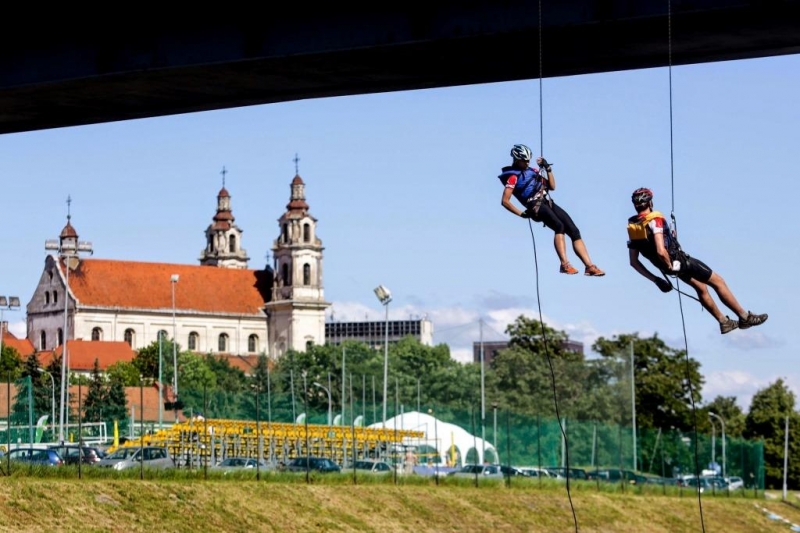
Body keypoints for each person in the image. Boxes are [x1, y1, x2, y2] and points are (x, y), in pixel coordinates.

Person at [626, 187, 767, 334]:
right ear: (651, 203)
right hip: (678, 262)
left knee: (701, 287)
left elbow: (634, 262)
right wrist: (670, 264)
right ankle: (744, 317)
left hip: (667, 267)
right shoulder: (655, 220)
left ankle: (724, 322)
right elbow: (661, 251)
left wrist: (657, 279)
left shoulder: (633, 226)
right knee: (718, 281)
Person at [499, 144, 605, 276]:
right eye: (524, 160)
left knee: (574, 231)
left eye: (528, 160)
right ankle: (564, 264)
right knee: (559, 226)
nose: (527, 163)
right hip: (534, 205)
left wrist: (548, 169)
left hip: (547, 202)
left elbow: (552, 186)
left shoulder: (532, 171)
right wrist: (521, 213)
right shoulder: (513, 177)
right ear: (516, 159)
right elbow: (505, 201)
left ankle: (589, 266)